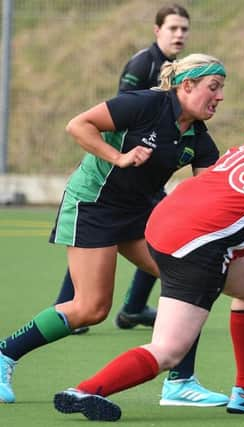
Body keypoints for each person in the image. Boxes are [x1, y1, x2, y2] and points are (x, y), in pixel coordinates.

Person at [52, 106, 244, 421]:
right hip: (196, 249)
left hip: (161, 229)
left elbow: (234, 216)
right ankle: (85, 391)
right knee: (169, 350)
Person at [0, 54, 229, 407]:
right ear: (187, 86)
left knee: (189, 278)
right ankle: (5, 355)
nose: (220, 97)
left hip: (139, 212)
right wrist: (118, 156)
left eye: (222, 89)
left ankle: (180, 382)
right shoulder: (146, 104)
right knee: (90, 308)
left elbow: (213, 200)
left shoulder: (198, 139)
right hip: (95, 204)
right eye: (213, 88)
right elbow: (78, 125)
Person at [54, 3, 192, 332]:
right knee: (96, 244)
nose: (179, 34)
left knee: (162, 239)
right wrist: (116, 157)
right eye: (173, 28)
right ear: (157, 30)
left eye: (184, 29)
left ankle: (131, 307)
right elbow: (122, 116)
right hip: (119, 174)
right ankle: (70, 308)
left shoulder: (181, 69)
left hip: (146, 176)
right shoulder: (144, 63)